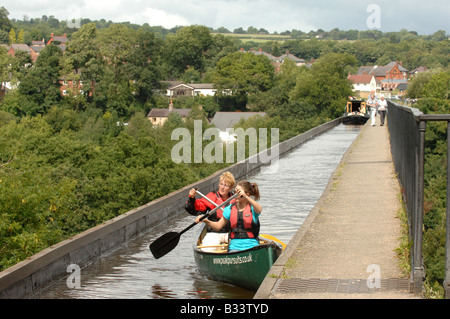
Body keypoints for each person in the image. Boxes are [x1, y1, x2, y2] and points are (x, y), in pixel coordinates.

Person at [198, 180, 262, 252]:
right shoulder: (229, 209)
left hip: (252, 246)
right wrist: (205, 220)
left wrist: (245, 196)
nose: (235, 195)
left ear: (246, 194)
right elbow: (218, 226)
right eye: (235, 192)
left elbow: (259, 209)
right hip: (234, 248)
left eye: (238, 192)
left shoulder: (252, 208)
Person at [185, 172, 236, 250]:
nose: (222, 187)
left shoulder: (235, 199)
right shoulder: (212, 196)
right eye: (221, 184)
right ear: (218, 185)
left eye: (226, 185)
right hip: (214, 233)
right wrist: (191, 198)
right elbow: (196, 207)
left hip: (231, 233)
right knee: (206, 249)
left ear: (231, 187)